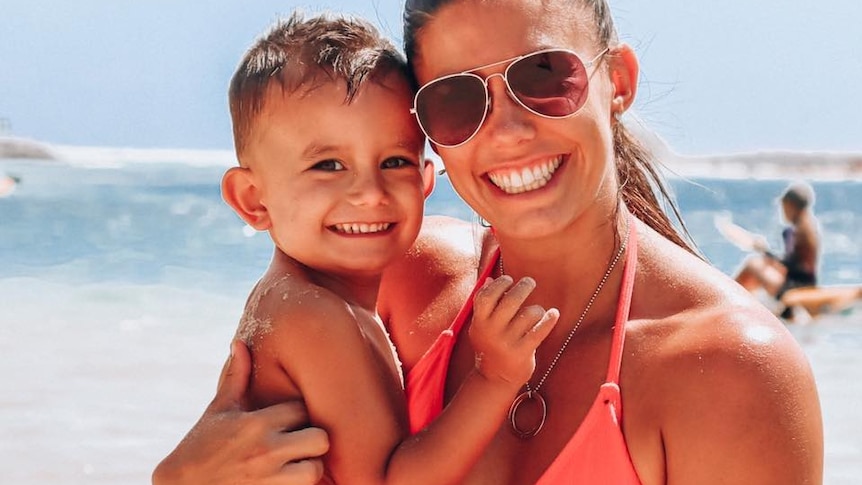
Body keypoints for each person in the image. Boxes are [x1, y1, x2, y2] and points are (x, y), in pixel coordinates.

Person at [155, 1, 824, 484]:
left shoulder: (729, 371)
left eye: (544, 77)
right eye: (456, 100)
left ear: (616, 82)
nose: (505, 132)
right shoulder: (402, 277)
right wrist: (179, 478)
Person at [153, 12, 561, 485]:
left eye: (394, 161)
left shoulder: (296, 298)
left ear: (425, 182)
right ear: (252, 199)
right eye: (328, 165)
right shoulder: (317, 318)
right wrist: (495, 378)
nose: (370, 192)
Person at [734, 182, 821, 305]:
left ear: (792, 206)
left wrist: (765, 251)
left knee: (753, 263)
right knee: (762, 263)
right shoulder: (808, 227)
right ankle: (743, 297)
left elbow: (794, 267)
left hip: (795, 286)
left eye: (784, 206)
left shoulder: (800, 231)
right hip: (804, 282)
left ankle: (731, 297)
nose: (783, 211)